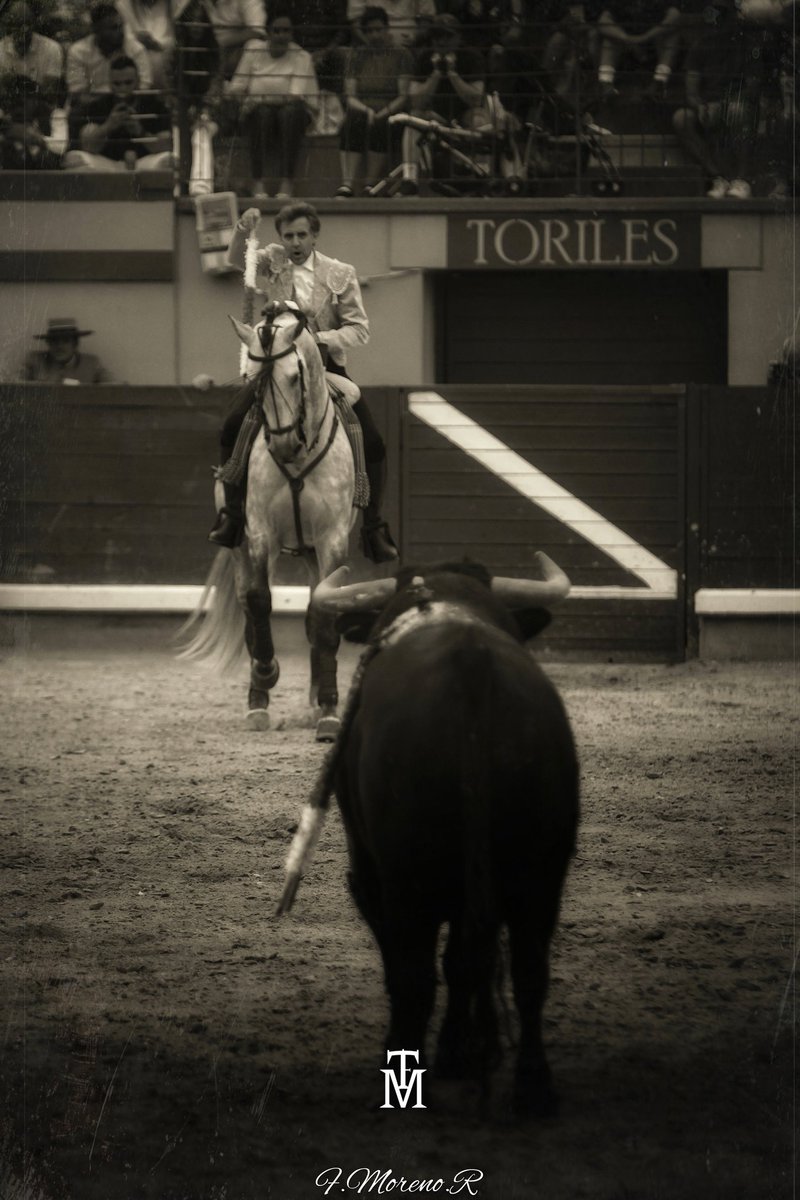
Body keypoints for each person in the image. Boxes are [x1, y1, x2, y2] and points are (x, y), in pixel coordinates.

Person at [210, 201, 398, 563]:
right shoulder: (273, 260)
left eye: (301, 235)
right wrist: (241, 229)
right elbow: (236, 260)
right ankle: (232, 516)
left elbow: (359, 330)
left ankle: (373, 525)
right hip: (277, 368)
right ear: (281, 238)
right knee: (233, 424)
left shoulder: (340, 273)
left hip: (325, 370)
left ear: (314, 235)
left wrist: (317, 341)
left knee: (372, 440)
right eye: (288, 235)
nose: (295, 242)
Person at [672, 0, 766, 198]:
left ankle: (741, 180)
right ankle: (718, 177)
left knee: (735, 111)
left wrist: (723, 105)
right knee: (681, 118)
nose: (717, 19)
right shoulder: (700, 46)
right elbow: (691, 90)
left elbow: (752, 87)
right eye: (713, 13)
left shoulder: (747, 46)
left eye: (722, 14)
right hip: (708, 106)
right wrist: (700, 106)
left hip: (739, 106)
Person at [226, 8, 319, 197]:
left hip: (294, 113)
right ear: (268, 32)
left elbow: (295, 95)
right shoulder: (253, 50)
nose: (281, 36)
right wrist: (254, 101)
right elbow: (236, 87)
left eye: (286, 31)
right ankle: (258, 182)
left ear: (292, 33)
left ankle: (287, 182)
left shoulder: (302, 57)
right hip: (260, 112)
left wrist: (258, 98)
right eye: (276, 31)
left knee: (288, 113)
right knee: (263, 113)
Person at [399, 12, 485, 194]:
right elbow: (415, 101)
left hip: (464, 118)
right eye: (438, 36)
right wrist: (436, 73)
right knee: (413, 119)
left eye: (448, 36)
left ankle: (483, 175)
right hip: (435, 118)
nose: (442, 41)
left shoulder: (471, 57)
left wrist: (453, 74)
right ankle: (410, 180)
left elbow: (476, 99)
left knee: (481, 119)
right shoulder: (424, 59)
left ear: (458, 37)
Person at [337, 5, 412, 195]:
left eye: (379, 29)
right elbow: (350, 96)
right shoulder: (356, 55)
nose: (375, 35)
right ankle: (347, 184)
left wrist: (384, 111)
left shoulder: (402, 54)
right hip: (363, 109)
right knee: (352, 121)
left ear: (387, 29)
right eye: (369, 31)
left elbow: (403, 96)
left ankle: (371, 184)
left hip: (392, 110)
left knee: (382, 124)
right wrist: (366, 111)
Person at [63, 53, 173, 170]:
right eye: (117, 84)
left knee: (168, 160)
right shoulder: (98, 105)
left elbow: (166, 145)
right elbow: (87, 146)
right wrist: (108, 126)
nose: (123, 89)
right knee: (74, 159)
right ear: (110, 84)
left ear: (138, 81)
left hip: (143, 162)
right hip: (107, 163)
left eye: (128, 83)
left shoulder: (154, 105)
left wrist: (141, 132)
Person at [66, 1, 152, 99]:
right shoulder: (78, 52)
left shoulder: (136, 49)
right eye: (113, 28)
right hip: (93, 111)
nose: (121, 32)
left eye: (121, 26)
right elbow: (78, 95)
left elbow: (143, 90)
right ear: (96, 30)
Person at [0, 0, 65, 104]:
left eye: (27, 23)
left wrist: (15, 81)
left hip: (40, 111)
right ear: (10, 25)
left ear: (35, 23)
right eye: (18, 24)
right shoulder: (1, 48)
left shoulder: (52, 48)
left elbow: (49, 94)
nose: (24, 29)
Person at [20, 317, 114, 383]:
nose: (59, 346)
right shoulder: (35, 361)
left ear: (75, 344)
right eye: (54, 341)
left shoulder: (92, 363)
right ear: (48, 343)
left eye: (66, 341)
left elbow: (115, 390)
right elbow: (14, 385)